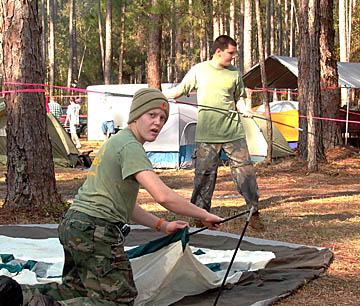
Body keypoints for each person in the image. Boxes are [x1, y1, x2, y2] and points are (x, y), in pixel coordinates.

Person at [21, 88, 222, 306]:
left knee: (74, 290)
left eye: (163, 118)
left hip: (74, 225)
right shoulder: (130, 146)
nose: (157, 123)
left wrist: (162, 225)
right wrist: (203, 214)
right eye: (151, 115)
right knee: (120, 300)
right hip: (95, 230)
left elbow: (126, 205)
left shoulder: (117, 141)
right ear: (136, 115)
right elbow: (163, 196)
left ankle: (15, 294)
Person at [164, 35, 264, 231]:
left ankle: (254, 212)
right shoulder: (199, 71)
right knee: (203, 176)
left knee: (246, 173)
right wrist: (155, 95)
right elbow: (178, 91)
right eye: (231, 53)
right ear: (219, 52)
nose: (234, 57)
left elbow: (239, 100)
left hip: (233, 133)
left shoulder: (234, 74)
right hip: (206, 136)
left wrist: (244, 109)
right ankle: (200, 216)